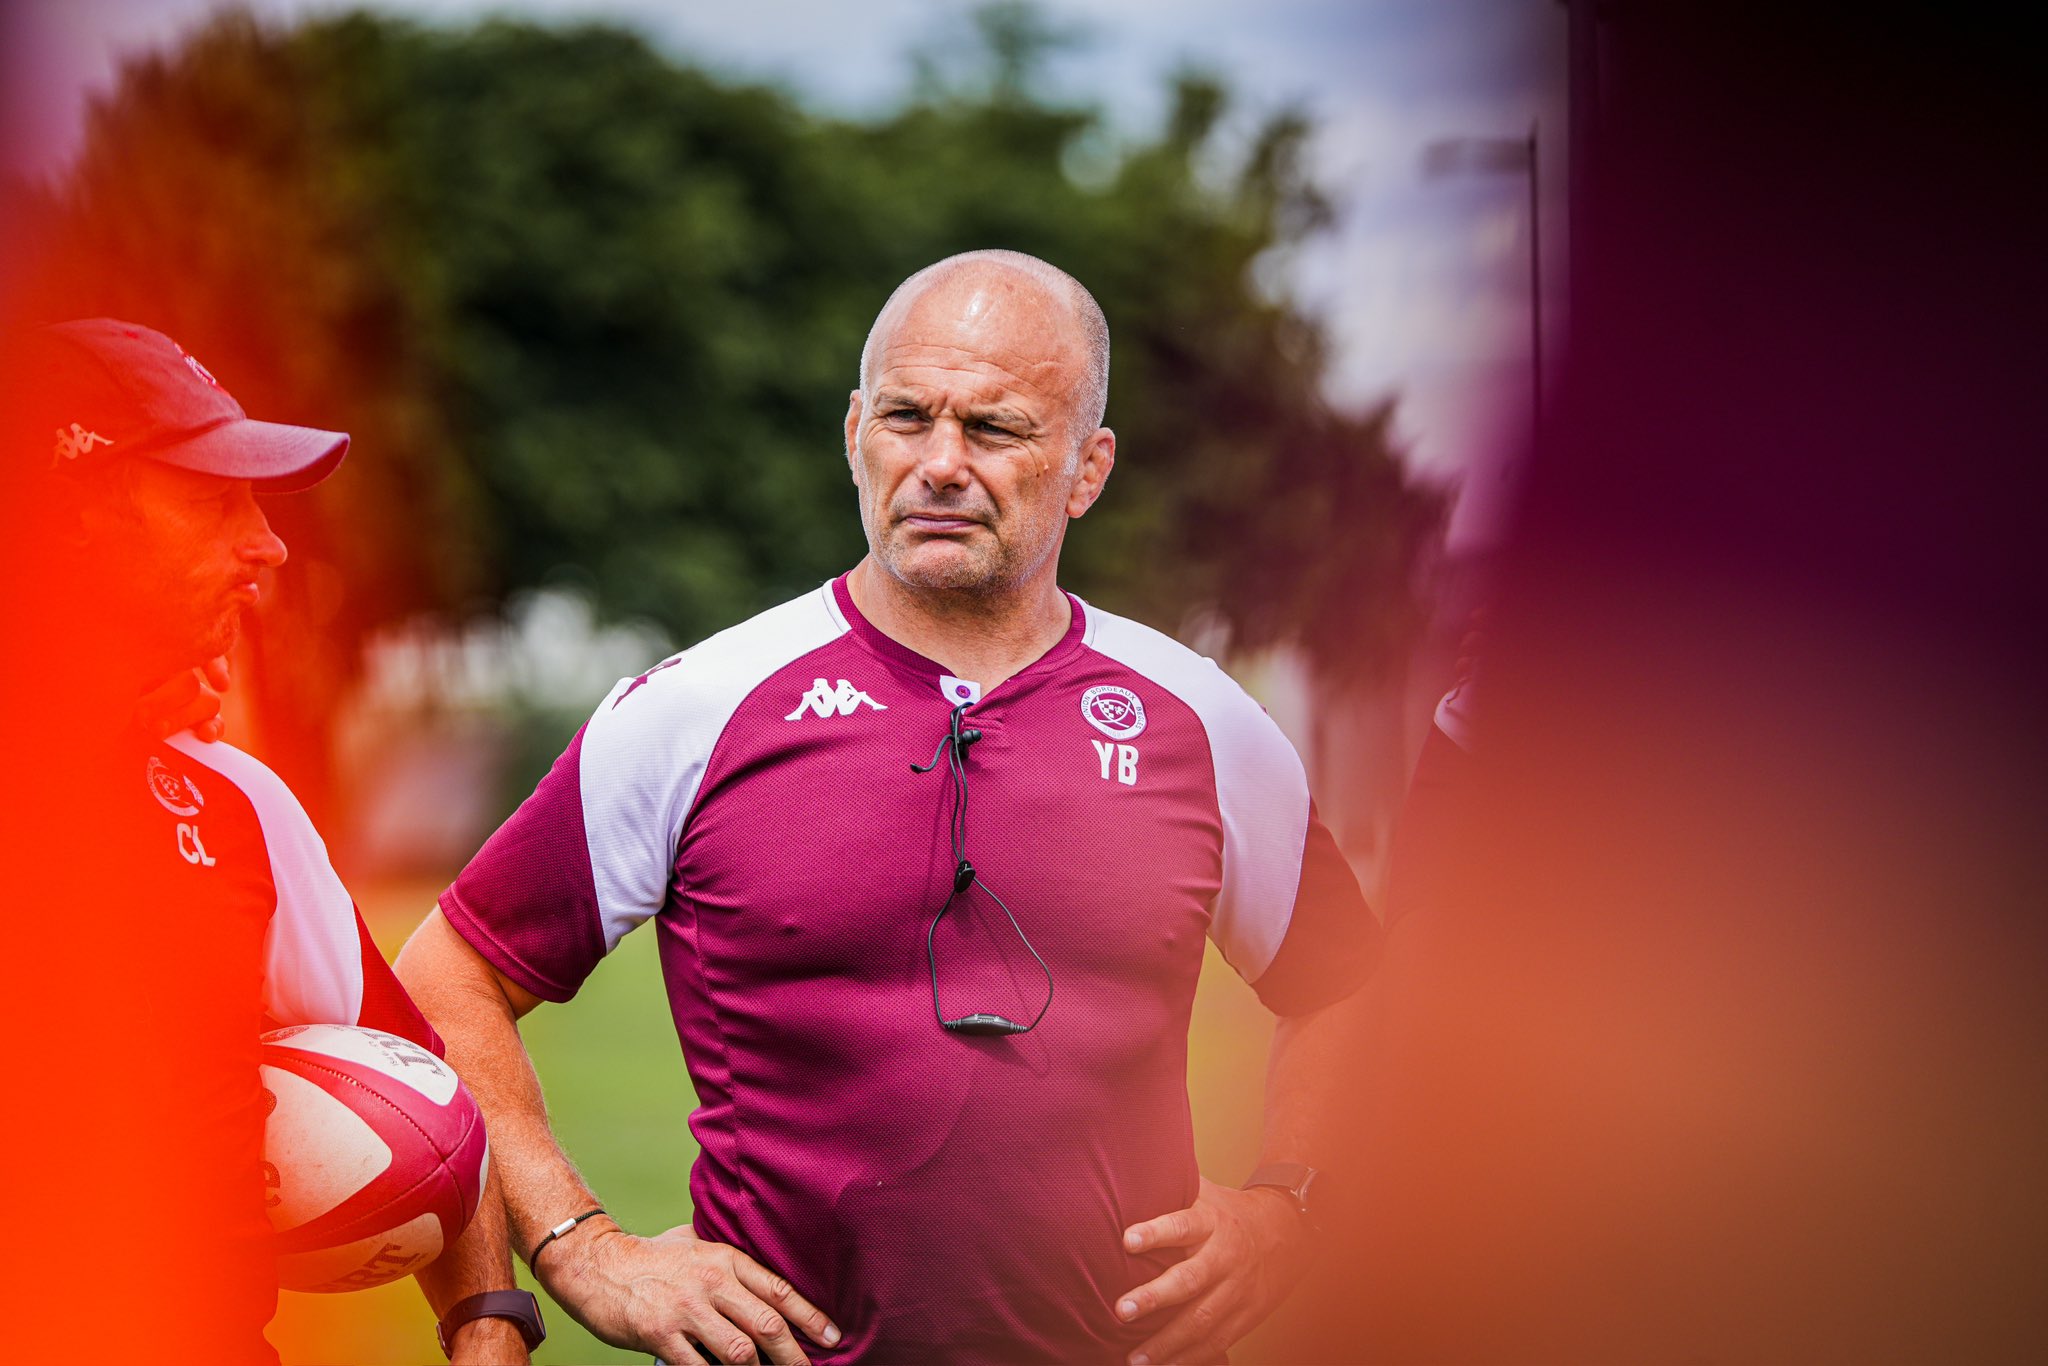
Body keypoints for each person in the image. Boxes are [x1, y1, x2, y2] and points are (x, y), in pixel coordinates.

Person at [397, 251, 1381, 1364]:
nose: (940, 464)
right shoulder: (699, 706)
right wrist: (579, 1245)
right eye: (907, 417)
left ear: (1087, 466)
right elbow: (449, 973)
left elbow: (1343, 986)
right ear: (855, 431)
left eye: (997, 428)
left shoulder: (1202, 722)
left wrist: (1293, 1201)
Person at [3, 319, 534, 1365]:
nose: (267, 542)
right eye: (211, 500)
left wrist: (488, 1325)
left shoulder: (233, 803)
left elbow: (425, 1100)